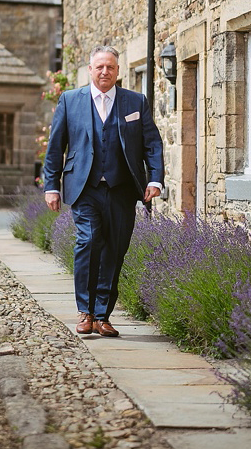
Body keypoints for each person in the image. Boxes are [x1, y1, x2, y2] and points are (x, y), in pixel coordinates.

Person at [42, 46, 164, 338]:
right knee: (89, 240)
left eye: (110, 67)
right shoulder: (71, 100)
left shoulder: (135, 101)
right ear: (90, 69)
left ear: (117, 71)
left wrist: (155, 179)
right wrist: (51, 186)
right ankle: (85, 312)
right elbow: (55, 147)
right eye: (99, 67)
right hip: (85, 187)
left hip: (122, 189)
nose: (105, 72)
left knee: (115, 250)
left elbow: (152, 143)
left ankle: (102, 315)